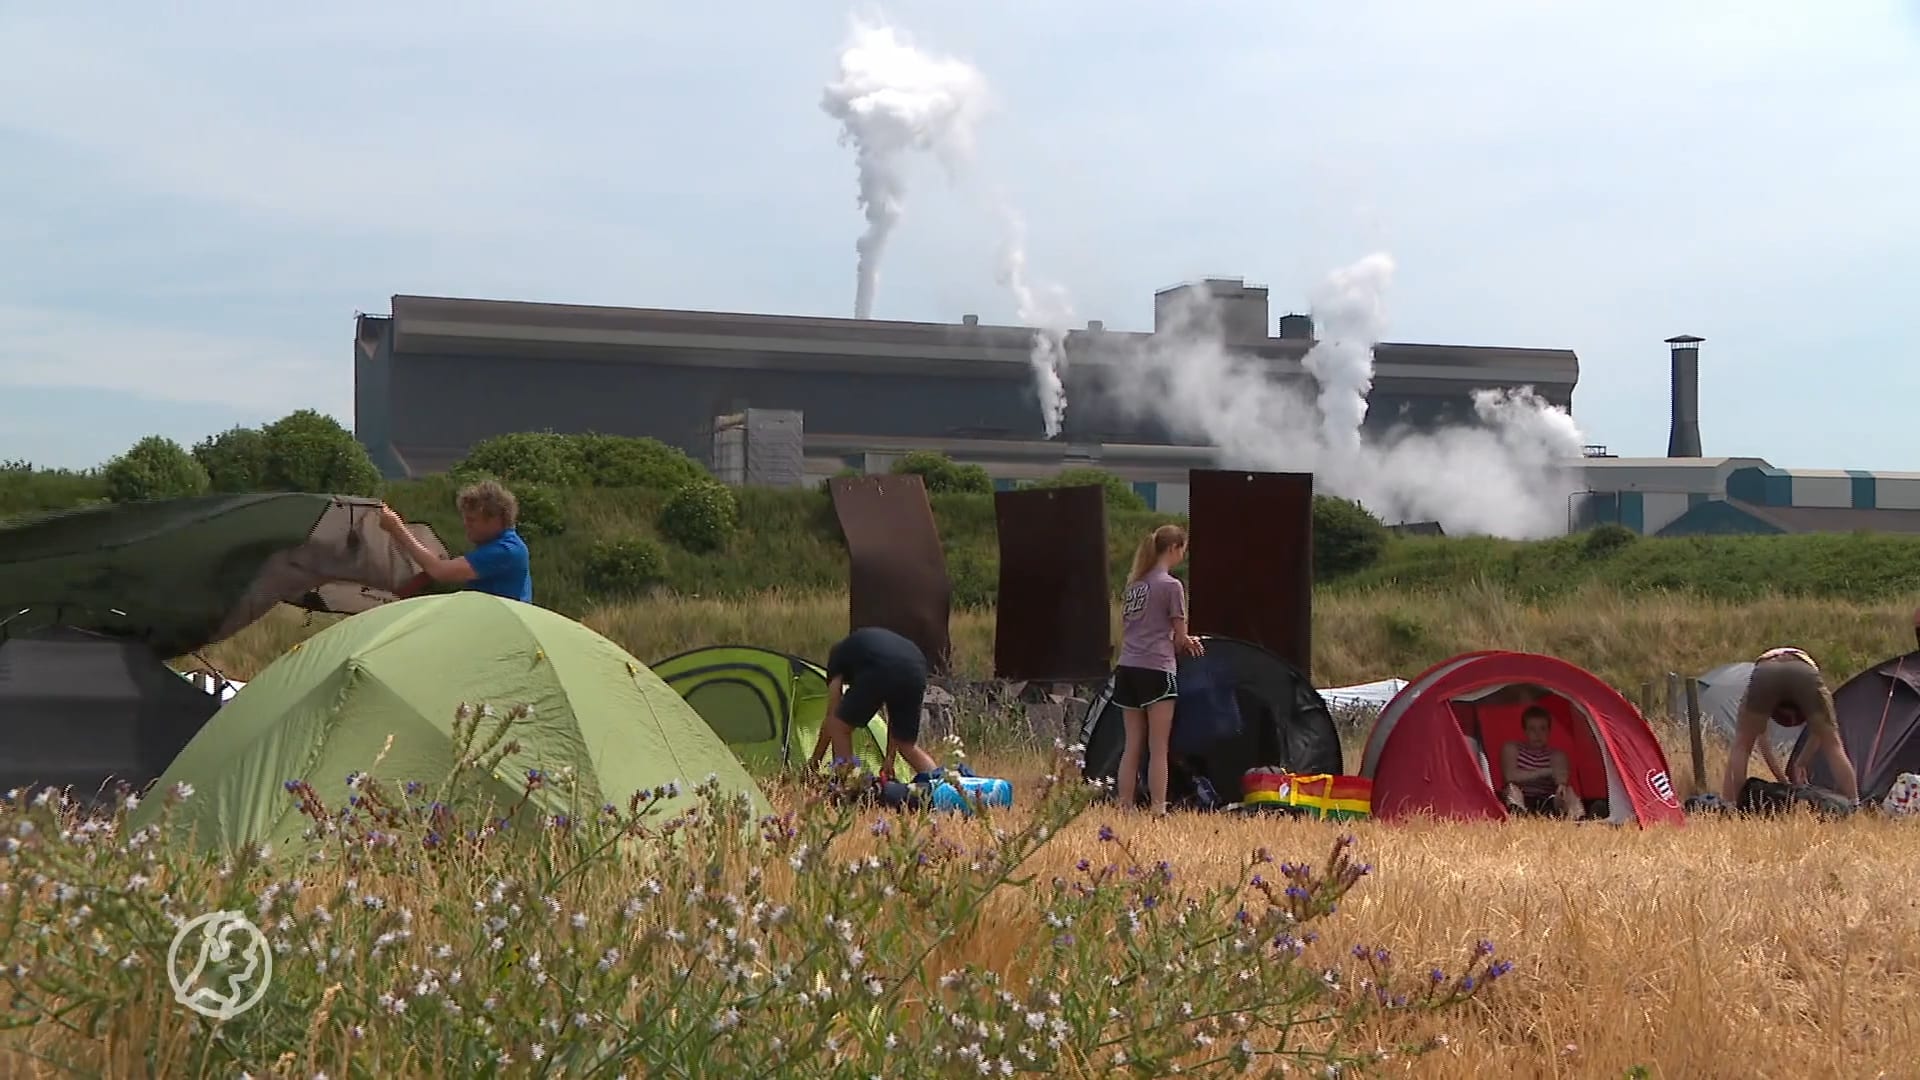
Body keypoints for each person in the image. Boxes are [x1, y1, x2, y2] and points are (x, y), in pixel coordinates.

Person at [1111, 524, 1204, 816]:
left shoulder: (1135, 585)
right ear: (1175, 548)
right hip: (1156, 669)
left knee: (1132, 745)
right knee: (1158, 747)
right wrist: (1190, 642)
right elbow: (1179, 638)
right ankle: (1158, 808)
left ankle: (1124, 806)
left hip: (1128, 668)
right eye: (1183, 550)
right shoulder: (1171, 586)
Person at [1721, 646, 1859, 805]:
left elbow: (1759, 742)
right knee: (1833, 744)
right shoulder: (1811, 676)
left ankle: (1732, 804)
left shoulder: (1764, 687)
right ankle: (1854, 803)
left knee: (1742, 745)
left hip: (1767, 670)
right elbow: (1819, 735)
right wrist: (1797, 766)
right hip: (1803, 671)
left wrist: (1789, 772)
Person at [808, 626, 940, 781]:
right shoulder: (862, 651)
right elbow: (895, 721)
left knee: (839, 726)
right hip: (916, 668)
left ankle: (846, 787)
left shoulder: (837, 659)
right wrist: (889, 761)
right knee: (906, 745)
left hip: (883, 666)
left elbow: (832, 716)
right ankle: (945, 788)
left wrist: (813, 764)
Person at [378, 479, 533, 603]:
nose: (465, 525)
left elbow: (441, 572)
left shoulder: (505, 550)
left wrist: (397, 528)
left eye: (472, 520)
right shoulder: (501, 546)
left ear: (495, 519)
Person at [1499, 705, 1585, 820]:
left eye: (1543, 729)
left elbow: (1561, 780)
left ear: (1549, 731)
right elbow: (1510, 776)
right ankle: (1518, 814)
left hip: (1547, 800)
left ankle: (1578, 818)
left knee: (1568, 791)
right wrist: (1546, 771)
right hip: (1522, 798)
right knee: (1511, 788)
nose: (1538, 734)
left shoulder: (1556, 755)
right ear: (1525, 731)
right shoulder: (1512, 748)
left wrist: (1560, 783)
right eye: (1532, 729)